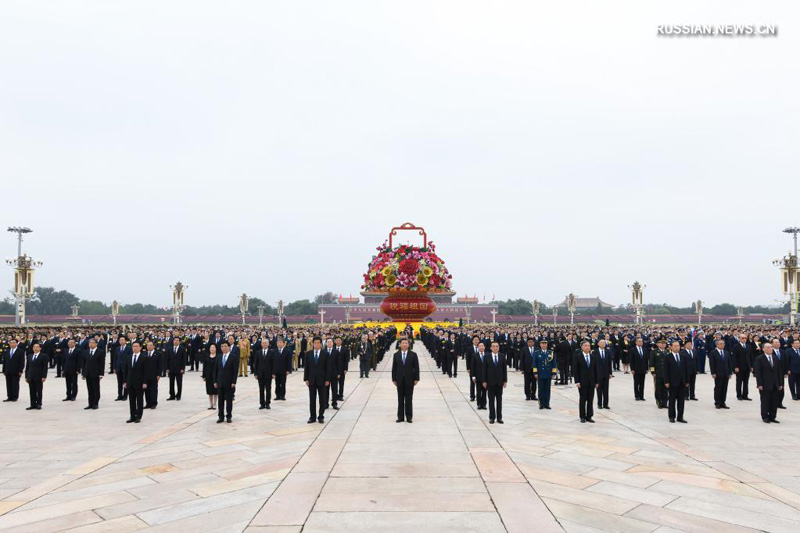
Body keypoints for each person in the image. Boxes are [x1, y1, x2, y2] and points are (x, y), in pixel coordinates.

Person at [304, 336, 332, 424]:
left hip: (322, 380)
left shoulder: (325, 354)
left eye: (318, 343)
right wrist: (306, 379)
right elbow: (306, 368)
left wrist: (327, 379)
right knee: (312, 399)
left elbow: (328, 368)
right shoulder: (308, 354)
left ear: (320, 344)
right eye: (315, 343)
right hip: (311, 380)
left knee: (322, 399)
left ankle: (321, 416)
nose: (316, 344)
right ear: (313, 344)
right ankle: (312, 417)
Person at [392, 338, 419, 423]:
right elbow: (394, 368)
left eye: (406, 343)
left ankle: (409, 417)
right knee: (400, 399)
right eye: (403, 343)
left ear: (408, 345)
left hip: (409, 380)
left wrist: (416, 378)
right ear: (400, 344)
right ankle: (400, 417)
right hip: (399, 380)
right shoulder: (396, 355)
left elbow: (416, 367)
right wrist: (393, 378)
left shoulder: (413, 355)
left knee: (409, 399)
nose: (404, 344)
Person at [754, 342, 782, 423]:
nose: (770, 349)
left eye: (771, 347)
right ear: (763, 349)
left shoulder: (775, 358)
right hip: (765, 384)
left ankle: (772, 416)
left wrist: (780, 383)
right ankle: (765, 416)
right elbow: (758, 373)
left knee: (774, 401)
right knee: (765, 401)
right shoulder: (759, 358)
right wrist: (759, 384)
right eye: (768, 347)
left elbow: (779, 371)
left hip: (775, 384)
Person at [664, 340, 689, 423]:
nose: (676, 347)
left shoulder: (683, 356)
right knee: (672, 400)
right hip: (672, 382)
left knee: (681, 401)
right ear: (671, 347)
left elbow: (686, 370)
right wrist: (666, 381)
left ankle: (680, 416)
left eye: (678, 346)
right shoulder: (668, 357)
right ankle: (671, 416)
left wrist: (687, 381)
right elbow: (666, 371)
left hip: (682, 382)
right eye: (675, 346)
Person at [483, 341, 507, 424]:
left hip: (499, 382)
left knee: (499, 400)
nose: (495, 348)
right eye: (493, 346)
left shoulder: (502, 356)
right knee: (491, 400)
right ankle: (492, 417)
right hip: (490, 382)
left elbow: (504, 370)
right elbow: (484, 370)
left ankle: (499, 417)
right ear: (490, 348)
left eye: (497, 346)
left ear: (499, 347)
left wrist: (505, 380)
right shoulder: (486, 356)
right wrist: (484, 381)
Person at [215, 342, 239, 423]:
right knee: (220, 400)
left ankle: (229, 416)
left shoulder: (233, 357)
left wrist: (233, 381)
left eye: (225, 346)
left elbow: (235, 370)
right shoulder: (219, 357)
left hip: (229, 382)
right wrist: (215, 381)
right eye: (222, 346)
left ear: (228, 347)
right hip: (220, 382)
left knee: (229, 400)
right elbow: (216, 370)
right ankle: (220, 416)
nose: (223, 348)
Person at [573, 340, 597, 423]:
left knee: (590, 399)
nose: (587, 347)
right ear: (582, 347)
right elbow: (575, 370)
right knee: (583, 399)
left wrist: (596, 382)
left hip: (591, 382)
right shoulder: (578, 356)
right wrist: (577, 381)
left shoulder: (593, 357)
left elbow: (595, 370)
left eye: (588, 346)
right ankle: (582, 416)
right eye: (586, 346)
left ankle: (589, 416)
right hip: (582, 382)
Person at [123, 341, 146, 423]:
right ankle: (132, 416)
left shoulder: (144, 357)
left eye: (136, 346)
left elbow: (145, 371)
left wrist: (145, 382)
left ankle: (138, 416)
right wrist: (125, 381)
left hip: (139, 382)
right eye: (133, 346)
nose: (135, 348)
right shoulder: (128, 357)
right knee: (131, 400)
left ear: (140, 348)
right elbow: (126, 370)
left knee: (139, 400)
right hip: (130, 382)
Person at [82, 338, 105, 410]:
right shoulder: (86, 352)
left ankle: (95, 403)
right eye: (90, 343)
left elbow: (102, 364)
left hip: (96, 373)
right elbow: (84, 364)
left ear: (96, 344)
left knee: (96, 389)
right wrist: (83, 373)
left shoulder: (100, 352)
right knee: (89, 389)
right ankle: (90, 403)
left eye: (92, 343)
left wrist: (101, 374)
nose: (90, 344)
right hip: (88, 373)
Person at [709, 339, 733, 409]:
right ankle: (717, 402)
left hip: (726, 373)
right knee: (718, 388)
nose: (722, 345)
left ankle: (723, 402)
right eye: (720, 344)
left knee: (724, 388)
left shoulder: (726, 353)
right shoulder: (713, 353)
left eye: (723, 344)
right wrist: (713, 373)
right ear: (717, 345)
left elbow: (729, 363)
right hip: (718, 373)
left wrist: (730, 372)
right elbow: (712, 364)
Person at [533, 339, 556, 409]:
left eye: (545, 344)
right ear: (540, 345)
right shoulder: (537, 353)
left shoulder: (550, 353)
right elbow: (534, 364)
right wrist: (535, 373)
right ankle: (541, 403)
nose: (544, 345)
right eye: (542, 344)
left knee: (547, 389)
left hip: (548, 373)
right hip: (540, 373)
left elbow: (554, 364)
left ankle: (547, 403)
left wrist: (554, 373)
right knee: (541, 389)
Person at [25, 342, 48, 410]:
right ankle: (32, 404)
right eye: (34, 347)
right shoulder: (29, 356)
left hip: (39, 376)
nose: (35, 348)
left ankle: (39, 403)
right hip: (30, 376)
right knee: (32, 391)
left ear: (40, 348)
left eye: (37, 347)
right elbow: (27, 367)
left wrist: (44, 376)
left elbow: (45, 367)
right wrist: (26, 376)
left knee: (39, 391)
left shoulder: (43, 356)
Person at [253, 339, 273, 410]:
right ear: (261, 344)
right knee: (261, 389)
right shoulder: (258, 352)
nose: (264, 344)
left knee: (268, 389)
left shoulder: (271, 352)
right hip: (260, 374)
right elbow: (256, 363)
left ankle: (268, 403)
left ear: (268, 344)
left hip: (268, 374)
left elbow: (273, 364)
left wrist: (273, 373)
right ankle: (262, 403)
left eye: (265, 343)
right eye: (263, 343)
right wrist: (255, 373)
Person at [733, 333, 753, 401]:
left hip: (747, 367)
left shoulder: (748, 346)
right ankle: (739, 395)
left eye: (745, 338)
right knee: (739, 382)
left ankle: (745, 395)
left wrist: (751, 366)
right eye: (742, 338)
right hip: (739, 367)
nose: (744, 339)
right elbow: (734, 357)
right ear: (739, 339)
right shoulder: (736, 346)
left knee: (746, 382)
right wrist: (735, 366)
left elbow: (751, 357)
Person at [594, 339, 613, 410]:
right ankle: (599, 404)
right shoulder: (595, 352)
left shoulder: (608, 352)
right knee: (599, 390)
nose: (603, 344)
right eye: (601, 342)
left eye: (604, 343)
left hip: (606, 373)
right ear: (598, 344)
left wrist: (610, 373)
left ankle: (606, 404)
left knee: (606, 390)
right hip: (598, 374)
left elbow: (609, 363)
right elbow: (594, 364)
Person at [649, 338, 667, 408]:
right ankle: (659, 401)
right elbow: (651, 363)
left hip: (665, 373)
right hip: (658, 373)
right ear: (658, 344)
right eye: (661, 343)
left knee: (665, 389)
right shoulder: (654, 352)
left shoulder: (666, 352)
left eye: (664, 344)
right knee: (658, 388)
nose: (663, 345)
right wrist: (653, 372)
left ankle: (665, 402)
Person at [143, 340, 161, 409]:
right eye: (148, 345)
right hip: (146, 375)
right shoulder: (144, 354)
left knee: (153, 389)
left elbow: (160, 365)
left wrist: (159, 374)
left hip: (154, 375)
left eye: (150, 345)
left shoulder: (158, 354)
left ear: (153, 346)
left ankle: (154, 403)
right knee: (146, 390)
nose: (149, 346)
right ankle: (148, 403)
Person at [324, 338, 340, 410]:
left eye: (331, 342)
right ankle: (325, 404)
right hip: (325, 375)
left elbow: (339, 363)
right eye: (328, 342)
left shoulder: (336, 352)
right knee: (325, 390)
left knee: (334, 390)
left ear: (333, 343)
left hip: (334, 374)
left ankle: (334, 403)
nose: (329, 343)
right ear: (326, 343)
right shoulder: (323, 351)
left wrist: (339, 373)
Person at [273, 337, 291, 401]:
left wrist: (288, 370)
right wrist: (273, 372)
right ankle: (277, 395)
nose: (279, 344)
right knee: (277, 383)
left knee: (283, 383)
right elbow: (272, 362)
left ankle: (282, 395)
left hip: (284, 370)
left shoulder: (287, 351)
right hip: (276, 370)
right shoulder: (274, 351)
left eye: (280, 342)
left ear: (283, 344)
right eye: (278, 342)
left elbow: (289, 361)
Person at [630, 337, 648, 401]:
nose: (641, 342)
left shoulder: (644, 349)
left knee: (642, 383)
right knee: (636, 383)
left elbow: (646, 360)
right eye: (639, 341)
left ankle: (641, 396)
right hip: (636, 369)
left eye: (642, 341)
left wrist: (646, 368)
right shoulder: (633, 350)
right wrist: (632, 369)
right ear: (636, 342)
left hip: (643, 369)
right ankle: (637, 396)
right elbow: (631, 360)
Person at [114, 336, 131, 401]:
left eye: (122, 340)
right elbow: (115, 358)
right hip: (118, 367)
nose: (121, 341)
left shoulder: (129, 348)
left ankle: (125, 395)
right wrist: (114, 367)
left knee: (125, 382)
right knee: (119, 382)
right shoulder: (117, 349)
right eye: (120, 340)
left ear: (125, 341)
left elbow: (130, 358)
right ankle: (119, 395)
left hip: (126, 368)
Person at [472, 341, 488, 410]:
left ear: (484, 347)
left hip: (486, 377)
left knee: (485, 391)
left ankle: (484, 404)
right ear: (478, 347)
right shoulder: (474, 355)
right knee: (478, 391)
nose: (481, 347)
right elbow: (473, 367)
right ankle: (478, 404)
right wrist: (473, 376)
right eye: (480, 346)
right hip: (478, 376)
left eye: (482, 346)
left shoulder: (487, 355)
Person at [203, 343, 219, 410]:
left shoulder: (218, 356)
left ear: (215, 349)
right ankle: (211, 404)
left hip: (215, 375)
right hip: (208, 375)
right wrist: (204, 375)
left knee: (215, 390)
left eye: (213, 347)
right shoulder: (206, 356)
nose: (212, 349)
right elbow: (204, 366)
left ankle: (215, 404)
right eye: (211, 348)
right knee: (209, 391)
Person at [334, 335, 349, 402]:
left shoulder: (345, 349)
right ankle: (335, 395)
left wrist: (345, 369)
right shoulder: (333, 349)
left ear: (341, 341)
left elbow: (346, 360)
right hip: (334, 369)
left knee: (341, 383)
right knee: (334, 384)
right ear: (334, 341)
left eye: (339, 340)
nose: (338, 341)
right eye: (337, 340)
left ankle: (341, 395)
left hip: (342, 369)